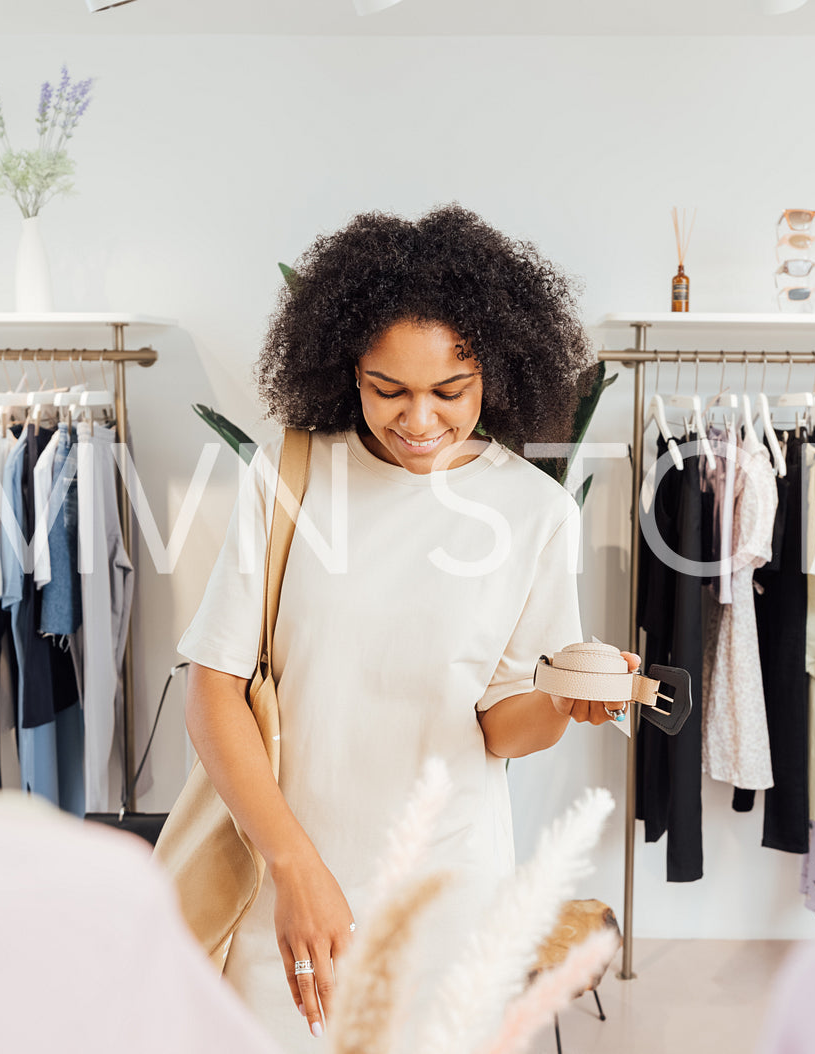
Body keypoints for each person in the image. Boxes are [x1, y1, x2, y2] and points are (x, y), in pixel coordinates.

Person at [176, 203, 633, 1050]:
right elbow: (212, 690)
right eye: (389, 390)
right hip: (289, 878)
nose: (419, 420)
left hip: (449, 889)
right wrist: (294, 867)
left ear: (493, 373)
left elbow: (502, 723)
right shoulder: (292, 473)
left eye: (448, 392)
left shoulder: (531, 509)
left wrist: (571, 702)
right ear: (347, 370)